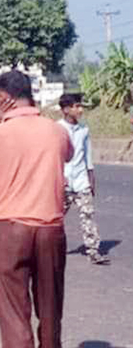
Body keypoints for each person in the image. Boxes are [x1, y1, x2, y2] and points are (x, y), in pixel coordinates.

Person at [0, 70, 72, 348]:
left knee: (13, 309)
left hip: (10, 228)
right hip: (50, 228)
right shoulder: (56, 130)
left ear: (4, 98)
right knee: (50, 305)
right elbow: (67, 154)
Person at [58, 93, 109, 265]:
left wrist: (91, 178)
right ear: (65, 109)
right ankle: (50, 248)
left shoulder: (84, 129)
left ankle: (93, 251)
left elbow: (87, 155)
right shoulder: (57, 129)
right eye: (76, 106)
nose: (80, 110)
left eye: (81, 106)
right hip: (61, 182)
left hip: (81, 181)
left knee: (88, 216)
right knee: (56, 217)